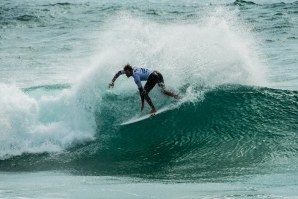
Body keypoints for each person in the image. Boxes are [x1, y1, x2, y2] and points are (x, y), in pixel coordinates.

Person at [109, 64, 180, 114]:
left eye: (127, 73)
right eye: (125, 73)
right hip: (158, 73)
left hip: (153, 77)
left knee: (144, 93)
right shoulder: (132, 69)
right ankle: (176, 96)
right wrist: (113, 81)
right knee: (163, 91)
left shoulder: (136, 77)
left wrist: (142, 103)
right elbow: (119, 72)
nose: (126, 74)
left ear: (130, 71)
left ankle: (153, 109)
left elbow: (141, 91)